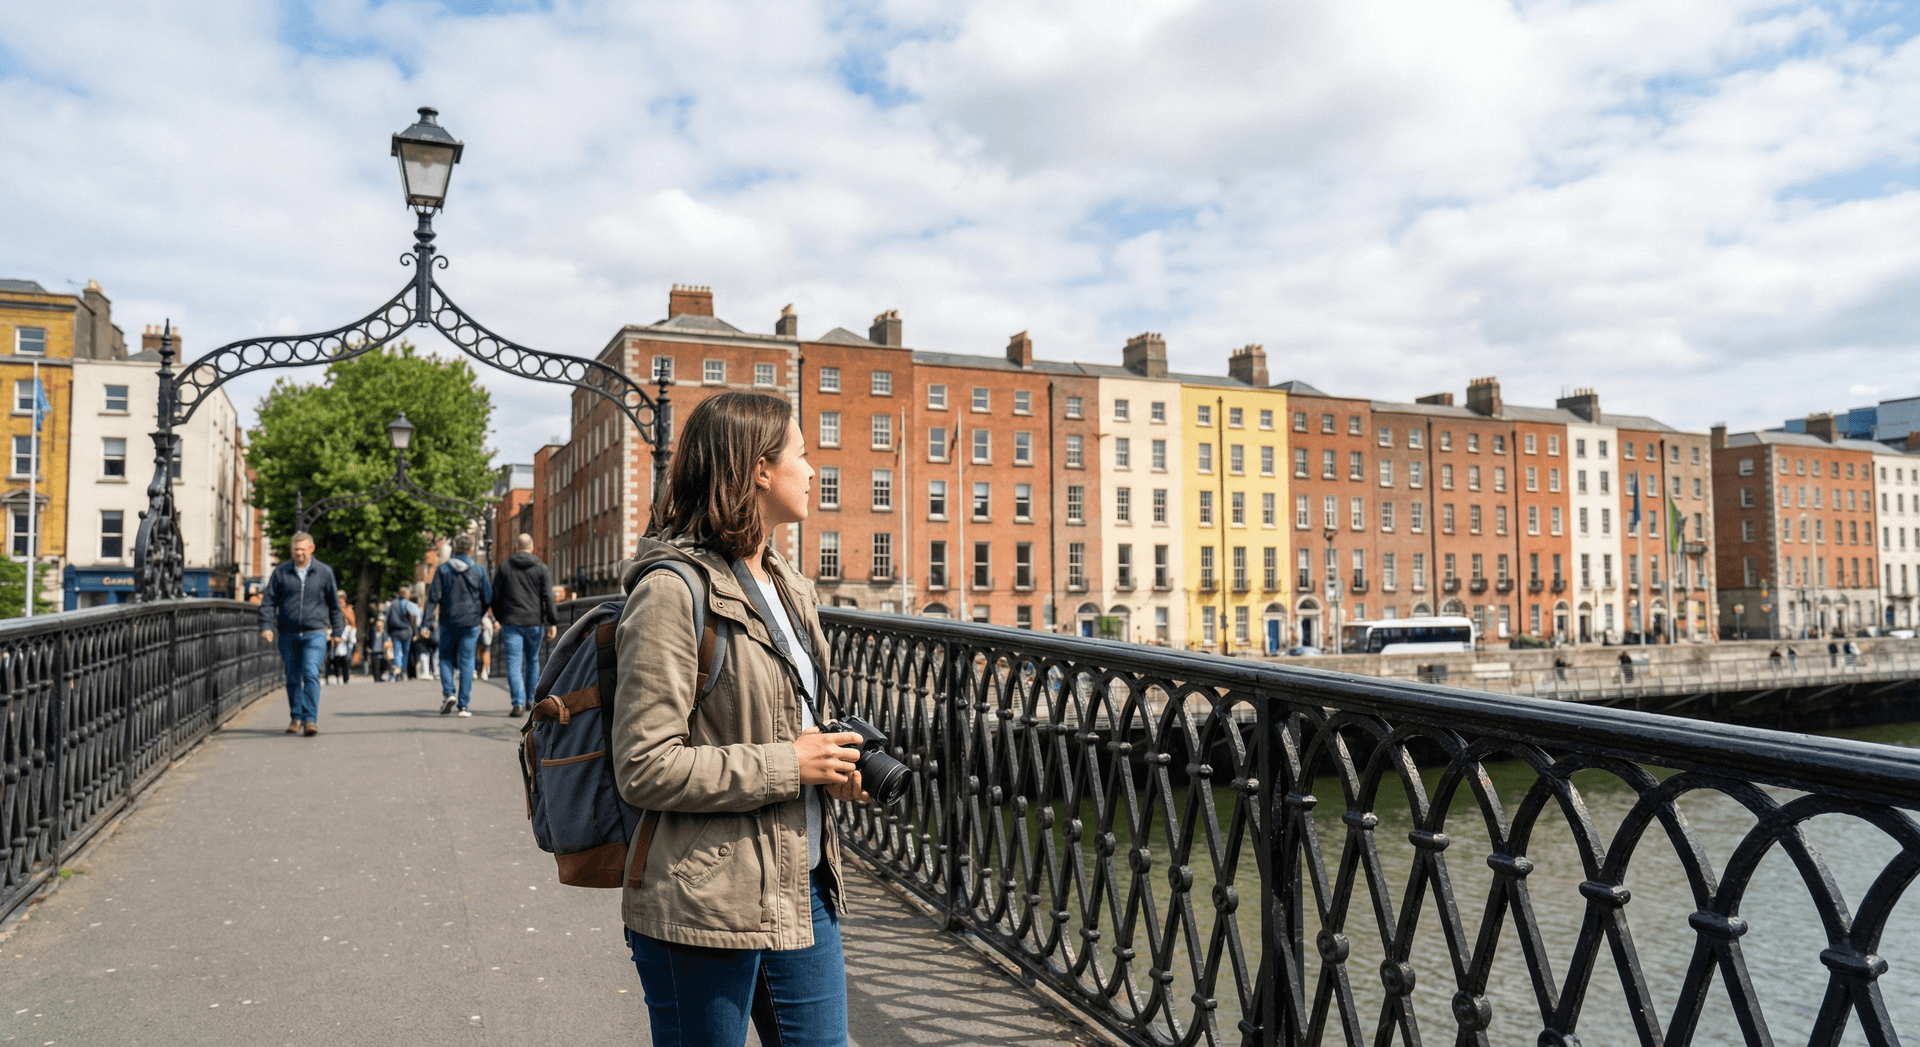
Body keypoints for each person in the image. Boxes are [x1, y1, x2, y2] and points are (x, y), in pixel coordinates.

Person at [611, 391, 867, 1047]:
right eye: (802, 456)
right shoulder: (671, 589)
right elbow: (645, 765)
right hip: (702, 896)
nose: (813, 471)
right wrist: (791, 763)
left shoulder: (789, 582)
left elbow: (791, 720)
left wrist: (830, 769)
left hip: (800, 879)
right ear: (759, 468)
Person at [258, 532, 343, 736]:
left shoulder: (324, 572)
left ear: (311, 549)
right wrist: (266, 626)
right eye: (296, 550)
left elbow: (334, 605)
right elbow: (269, 602)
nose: (300, 554)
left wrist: (338, 631)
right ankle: (296, 717)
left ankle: (310, 720)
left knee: (311, 673)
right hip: (288, 632)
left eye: (303, 550)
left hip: (315, 632)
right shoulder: (281, 572)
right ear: (291, 551)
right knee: (292, 676)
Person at [422, 533, 493, 717]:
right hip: (471, 622)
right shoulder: (478, 570)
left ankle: (448, 693)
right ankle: (464, 705)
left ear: (455, 549)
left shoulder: (443, 570)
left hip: (448, 620)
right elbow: (487, 597)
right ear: (470, 550)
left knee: (445, 657)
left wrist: (426, 624)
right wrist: (480, 613)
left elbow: (433, 598)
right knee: (467, 661)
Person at [492, 532, 559, 717]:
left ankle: (517, 703)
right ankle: (531, 700)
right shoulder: (541, 568)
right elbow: (548, 596)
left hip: (511, 622)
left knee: (513, 664)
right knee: (533, 660)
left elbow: (495, 597)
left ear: (516, 547)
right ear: (532, 548)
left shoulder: (505, 567)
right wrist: (552, 622)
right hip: (534, 622)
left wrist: (500, 617)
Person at [384, 588, 419, 682]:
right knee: (405, 653)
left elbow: (387, 619)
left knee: (397, 652)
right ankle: (403, 672)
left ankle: (397, 672)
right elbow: (414, 618)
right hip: (406, 631)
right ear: (406, 594)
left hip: (395, 632)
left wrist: (386, 633)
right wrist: (415, 632)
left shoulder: (392, 604)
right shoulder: (409, 604)